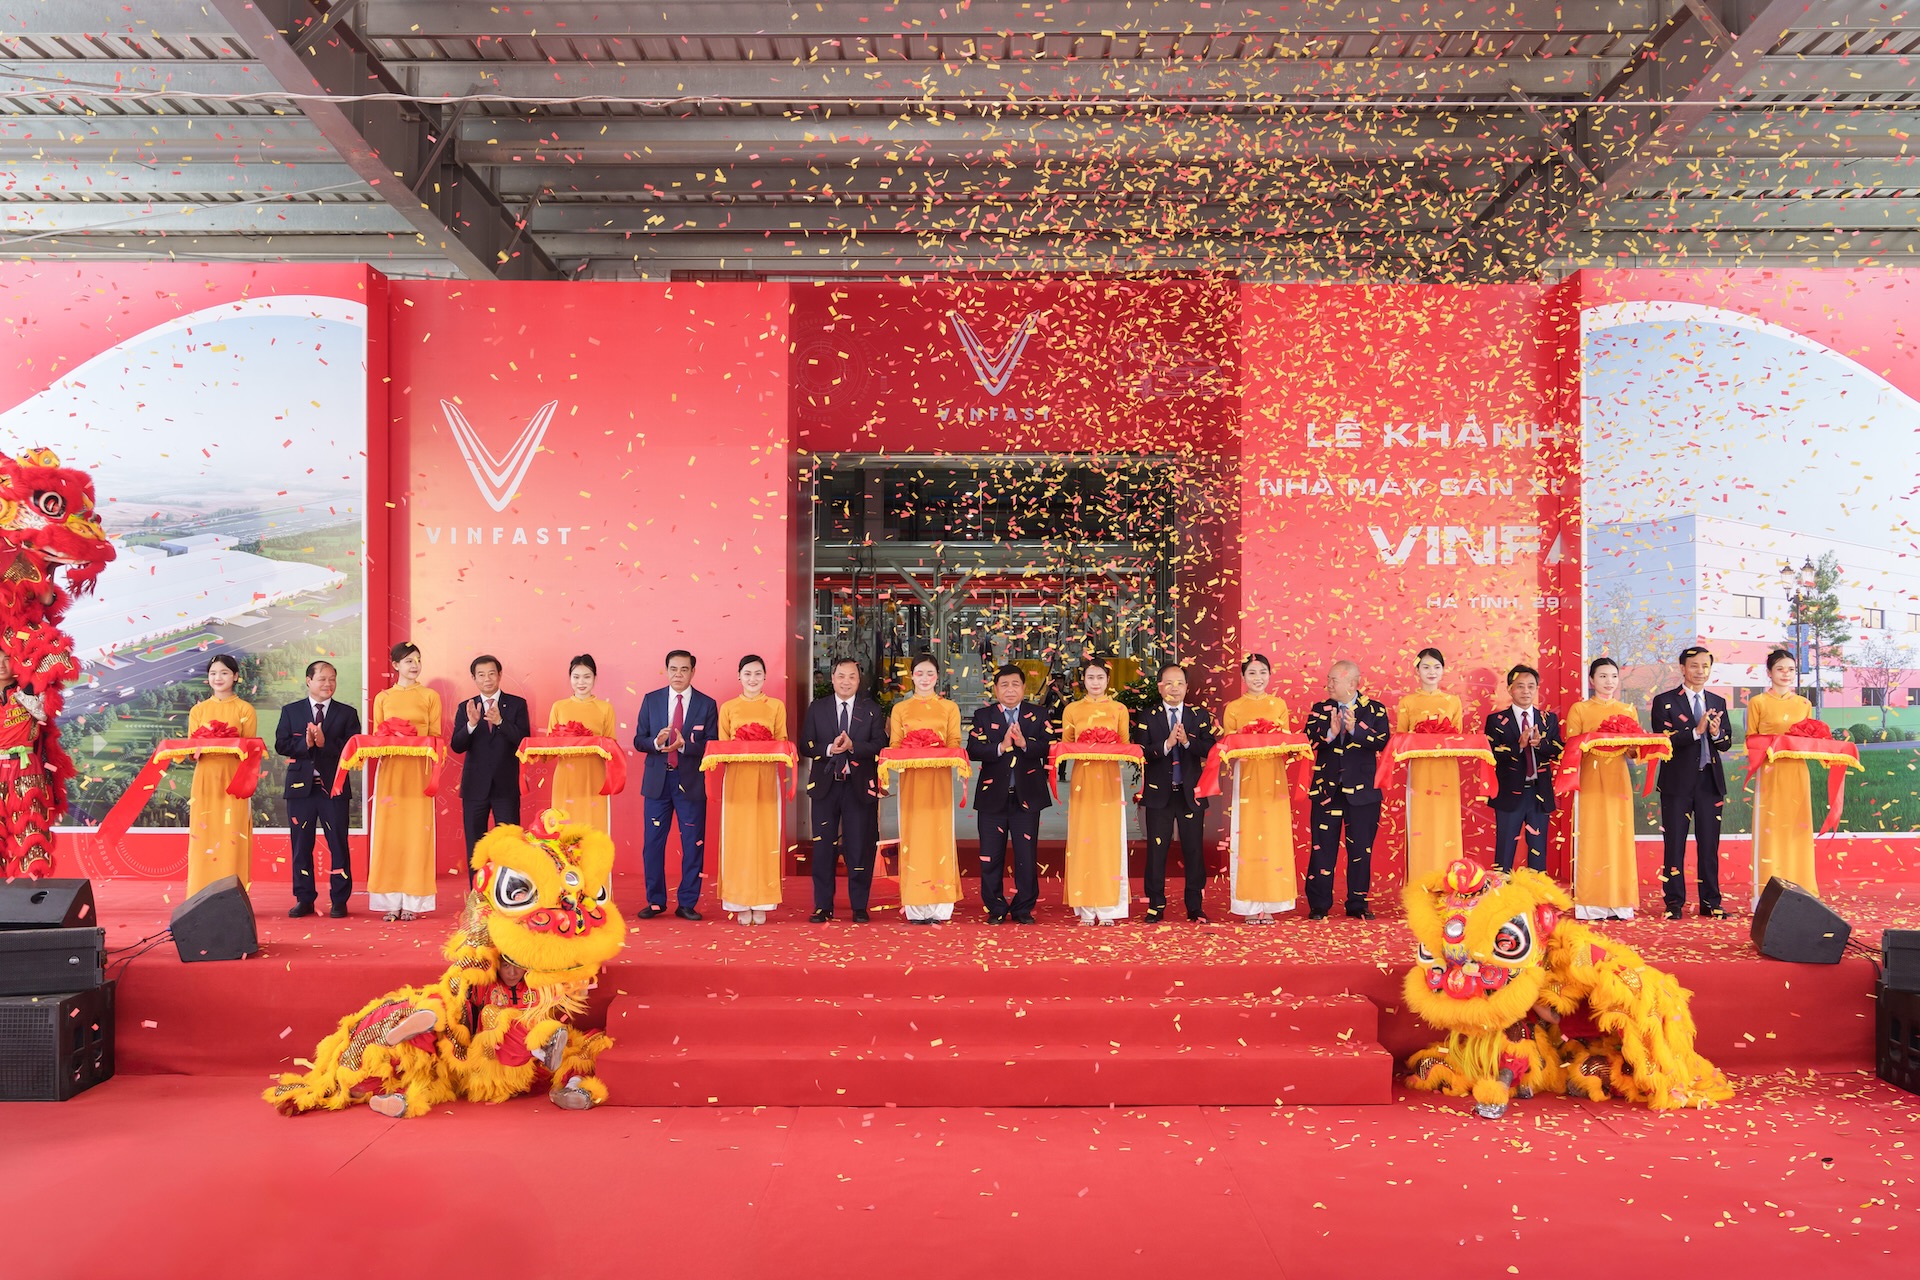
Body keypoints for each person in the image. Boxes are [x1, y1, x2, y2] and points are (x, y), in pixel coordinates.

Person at [799, 656, 888, 922]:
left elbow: (880, 745)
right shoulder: (818, 708)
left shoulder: (871, 709)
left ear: (859, 680)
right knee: (824, 847)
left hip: (859, 787)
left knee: (859, 847)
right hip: (826, 787)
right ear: (832, 678)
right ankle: (823, 906)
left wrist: (852, 747)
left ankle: (859, 905)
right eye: (841, 676)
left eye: (852, 676)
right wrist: (828, 749)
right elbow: (806, 745)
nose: (846, 681)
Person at [967, 663, 1054, 924]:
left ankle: (1023, 908)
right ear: (995, 689)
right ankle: (995, 907)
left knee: (1026, 856)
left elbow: (1049, 747)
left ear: (1024, 687)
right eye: (1004, 684)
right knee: (991, 856)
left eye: (1015, 684)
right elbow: (973, 750)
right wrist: (1002, 746)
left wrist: (1025, 744)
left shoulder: (1038, 714)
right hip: (992, 797)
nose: (1010, 689)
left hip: (1027, 796)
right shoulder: (983, 716)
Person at [1303, 660, 1390, 921]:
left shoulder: (1374, 709)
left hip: (1363, 791)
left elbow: (1382, 740)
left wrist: (1354, 729)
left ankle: (1357, 902)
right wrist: (1331, 732)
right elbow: (1307, 739)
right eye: (1328, 679)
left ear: (1352, 684)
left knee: (1361, 848)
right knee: (1322, 847)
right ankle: (1319, 904)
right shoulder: (1320, 709)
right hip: (1327, 788)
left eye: (1334, 680)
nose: (1328, 684)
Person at [633, 649, 717, 920]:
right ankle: (655, 900)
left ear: (693, 672)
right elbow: (639, 740)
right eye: (673, 669)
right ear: (666, 670)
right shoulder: (652, 700)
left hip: (690, 782)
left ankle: (687, 902)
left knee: (693, 842)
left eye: (684, 669)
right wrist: (657, 743)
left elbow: (712, 745)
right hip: (658, 781)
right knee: (653, 844)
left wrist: (685, 746)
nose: (678, 674)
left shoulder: (706, 704)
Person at [1651, 645, 1733, 920]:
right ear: (1682, 668)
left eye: (1705, 666)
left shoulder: (1717, 701)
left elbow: (1725, 743)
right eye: (1695, 666)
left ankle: (1711, 902)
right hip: (1677, 784)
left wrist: (1715, 732)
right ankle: (1674, 903)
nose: (1700, 671)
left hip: (1710, 783)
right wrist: (1696, 732)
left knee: (1709, 845)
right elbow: (1663, 741)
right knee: (1674, 844)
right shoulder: (1664, 701)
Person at [274, 659, 361, 918]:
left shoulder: (347, 713)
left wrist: (324, 743)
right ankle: (304, 898)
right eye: (322, 679)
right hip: (300, 789)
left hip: (332, 789)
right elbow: (281, 744)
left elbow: (353, 751)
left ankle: (339, 899)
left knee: (338, 844)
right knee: (301, 845)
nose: (328, 684)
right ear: (308, 681)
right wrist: (307, 745)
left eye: (332, 678)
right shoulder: (291, 711)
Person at [1136, 661, 1217, 924]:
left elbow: (1210, 749)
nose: (1174, 688)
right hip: (1160, 795)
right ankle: (1155, 906)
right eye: (1168, 683)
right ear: (1159, 687)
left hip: (1190, 794)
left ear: (1186, 687)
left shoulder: (1198, 715)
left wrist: (1186, 742)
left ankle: (1195, 907)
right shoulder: (1148, 716)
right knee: (1156, 852)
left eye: (1179, 683)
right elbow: (1141, 753)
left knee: (1193, 850)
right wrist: (1168, 744)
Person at [368, 642, 443, 921]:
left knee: (417, 834)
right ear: (395, 665)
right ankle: (389, 901)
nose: (414, 665)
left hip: (419, 773)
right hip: (390, 773)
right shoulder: (383, 698)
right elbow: (377, 738)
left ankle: (414, 901)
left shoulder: (429, 696)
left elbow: (436, 736)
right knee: (389, 833)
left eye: (418, 660)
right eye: (408, 661)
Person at [887, 653, 964, 924]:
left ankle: (941, 905)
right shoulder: (900, 709)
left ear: (937, 676)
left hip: (939, 780)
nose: (924, 678)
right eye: (918, 673)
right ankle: (916, 905)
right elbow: (895, 745)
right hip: (911, 781)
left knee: (940, 836)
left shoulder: (949, 708)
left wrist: (937, 749)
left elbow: (955, 742)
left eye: (929, 673)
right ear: (911, 676)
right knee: (913, 837)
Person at [1221, 653, 1297, 923]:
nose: (1258, 678)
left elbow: (1287, 740)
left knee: (1274, 837)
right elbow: (1227, 745)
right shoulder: (1234, 707)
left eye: (1263, 672)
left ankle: (1273, 902)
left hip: (1274, 776)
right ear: (1243, 677)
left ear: (1270, 675)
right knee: (1248, 836)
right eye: (1252, 673)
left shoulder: (1278, 705)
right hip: (1247, 777)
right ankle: (1249, 906)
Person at [717, 654, 788, 925]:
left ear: (765, 677)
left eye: (758, 673)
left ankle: (762, 900)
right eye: (747, 674)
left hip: (766, 778)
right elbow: (723, 746)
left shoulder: (776, 707)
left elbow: (782, 741)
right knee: (737, 838)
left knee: (764, 837)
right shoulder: (728, 708)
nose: (752, 679)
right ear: (739, 676)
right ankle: (738, 899)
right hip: (736, 778)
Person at [1566, 657, 1639, 920]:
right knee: (1591, 835)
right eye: (1603, 676)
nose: (1609, 682)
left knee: (1618, 837)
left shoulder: (1628, 709)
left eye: (1613, 677)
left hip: (1618, 778)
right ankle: (1590, 902)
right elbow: (1572, 747)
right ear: (1591, 680)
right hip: (1589, 778)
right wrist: (1596, 741)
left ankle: (1620, 901)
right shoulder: (1580, 709)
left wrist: (1633, 745)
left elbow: (1633, 752)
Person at [1060, 660, 1133, 925]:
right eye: (1090, 677)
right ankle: (1086, 908)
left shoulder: (1118, 709)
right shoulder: (1072, 709)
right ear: (1083, 680)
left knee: (1109, 838)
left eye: (1100, 677)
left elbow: (1125, 744)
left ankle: (1110, 907)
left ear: (1107, 680)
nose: (1095, 682)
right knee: (1084, 837)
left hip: (1110, 780)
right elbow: (1066, 746)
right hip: (1082, 779)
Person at [1748, 648, 1818, 904]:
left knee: (1797, 829)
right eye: (1780, 669)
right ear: (1769, 673)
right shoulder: (1758, 702)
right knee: (1770, 830)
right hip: (1769, 773)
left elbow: (1811, 738)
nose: (1786, 674)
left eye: (1791, 669)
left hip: (1798, 772)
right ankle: (1766, 894)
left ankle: (1802, 890)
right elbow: (1751, 740)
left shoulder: (1803, 703)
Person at [186, 653, 257, 897]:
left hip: (234, 780)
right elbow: (190, 750)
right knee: (203, 834)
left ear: (235, 677)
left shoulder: (245, 709)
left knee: (232, 836)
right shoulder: (198, 710)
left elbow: (251, 751)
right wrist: (194, 749)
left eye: (224, 673)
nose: (218, 678)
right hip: (205, 779)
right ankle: (199, 894)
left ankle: (233, 897)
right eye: (213, 673)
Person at [449, 654, 531, 857]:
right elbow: (457, 746)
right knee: (476, 848)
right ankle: (477, 889)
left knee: (510, 845)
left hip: (506, 787)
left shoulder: (517, 704)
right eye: (481, 675)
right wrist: (471, 725)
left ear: (500, 675)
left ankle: (508, 889)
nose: (487, 679)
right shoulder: (465, 707)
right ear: (474, 678)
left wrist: (502, 722)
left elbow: (524, 742)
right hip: (474, 787)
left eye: (492, 673)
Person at [1486, 664, 1563, 874]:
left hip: (1539, 793)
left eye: (1531, 686)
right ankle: (1502, 899)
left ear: (1537, 688)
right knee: (1504, 852)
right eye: (1520, 686)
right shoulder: (1496, 721)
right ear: (1510, 689)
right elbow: (1491, 753)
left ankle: (1536, 901)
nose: (1526, 691)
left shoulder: (1549, 719)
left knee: (1538, 853)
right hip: (1508, 794)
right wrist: (1517, 746)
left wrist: (1540, 745)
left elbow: (1558, 750)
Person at [1397, 647, 1465, 881]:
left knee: (1447, 824)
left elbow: (1458, 737)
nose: (1431, 672)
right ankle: (1420, 883)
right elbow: (1400, 739)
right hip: (1420, 771)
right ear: (1417, 670)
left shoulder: (1453, 701)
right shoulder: (1407, 702)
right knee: (1420, 826)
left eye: (1436, 667)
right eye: (1425, 667)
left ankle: (1451, 883)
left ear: (1444, 670)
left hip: (1447, 770)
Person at [546, 654, 617, 833]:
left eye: (587, 676)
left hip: (595, 776)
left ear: (595, 678)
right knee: (564, 828)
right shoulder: (558, 707)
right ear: (570, 678)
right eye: (576, 677)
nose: (581, 682)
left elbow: (612, 747)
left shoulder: (605, 708)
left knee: (594, 828)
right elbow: (549, 745)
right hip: (566, 777)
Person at [0, 652, 55, 879]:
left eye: (6, 659)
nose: (2, 666)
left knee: (31, 834)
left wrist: (27, 691)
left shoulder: (30, 690)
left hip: (25, 770)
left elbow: (44, 714)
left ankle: (34, 898)